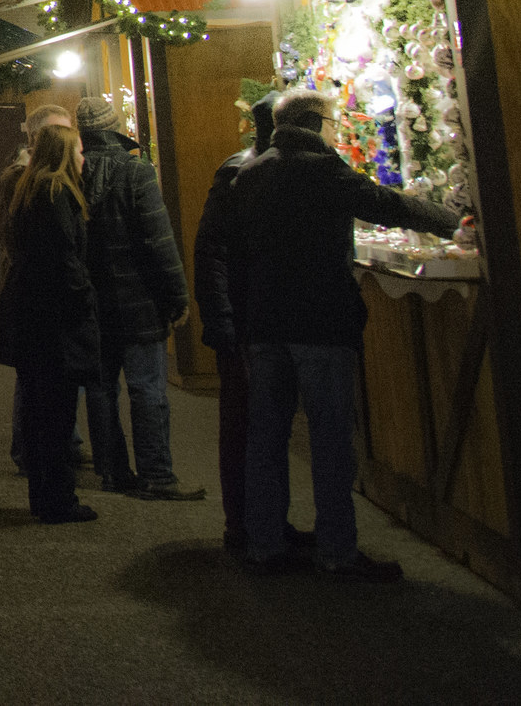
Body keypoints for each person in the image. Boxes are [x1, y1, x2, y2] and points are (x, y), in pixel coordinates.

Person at [231, 87, 463, 582]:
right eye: (334, 123)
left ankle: (265, 544)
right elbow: (386, 204)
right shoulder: (321, 170)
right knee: (331, 438)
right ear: (317, 123)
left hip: (265, 323)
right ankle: (337, 549)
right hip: (319, 321)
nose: (337, 132)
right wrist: (456, 224)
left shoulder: (252, 171)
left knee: (267, 436)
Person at [193, 97, 309, 554]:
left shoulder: (254, 170)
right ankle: (245, 525)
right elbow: (213, 251)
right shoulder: (243, 173)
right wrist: (221, 320)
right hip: (245, 320)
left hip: (259, 316)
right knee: (246, 427)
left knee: (260, 427)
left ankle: (261, 523)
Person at [73, 93, 197, 499]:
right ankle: (157, 475)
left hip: (91, 302)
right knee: (147, 389)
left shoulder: (71, 174)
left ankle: (113, 472)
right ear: (114, 126)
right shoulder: (136, 171)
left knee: (101, 389)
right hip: (140, 301)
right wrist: (178, 296)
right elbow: (158, 239)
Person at [0, 121, 101, 524]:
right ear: (63, 155)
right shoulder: (56, 194)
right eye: (77, 151)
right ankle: (58, 499)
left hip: (31, 314)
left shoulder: (30, 190)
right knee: (56, 414)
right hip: (54, 320)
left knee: (41, 412)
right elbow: (64, 259)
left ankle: (45, 495)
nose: (83, 158)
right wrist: (86, 299)